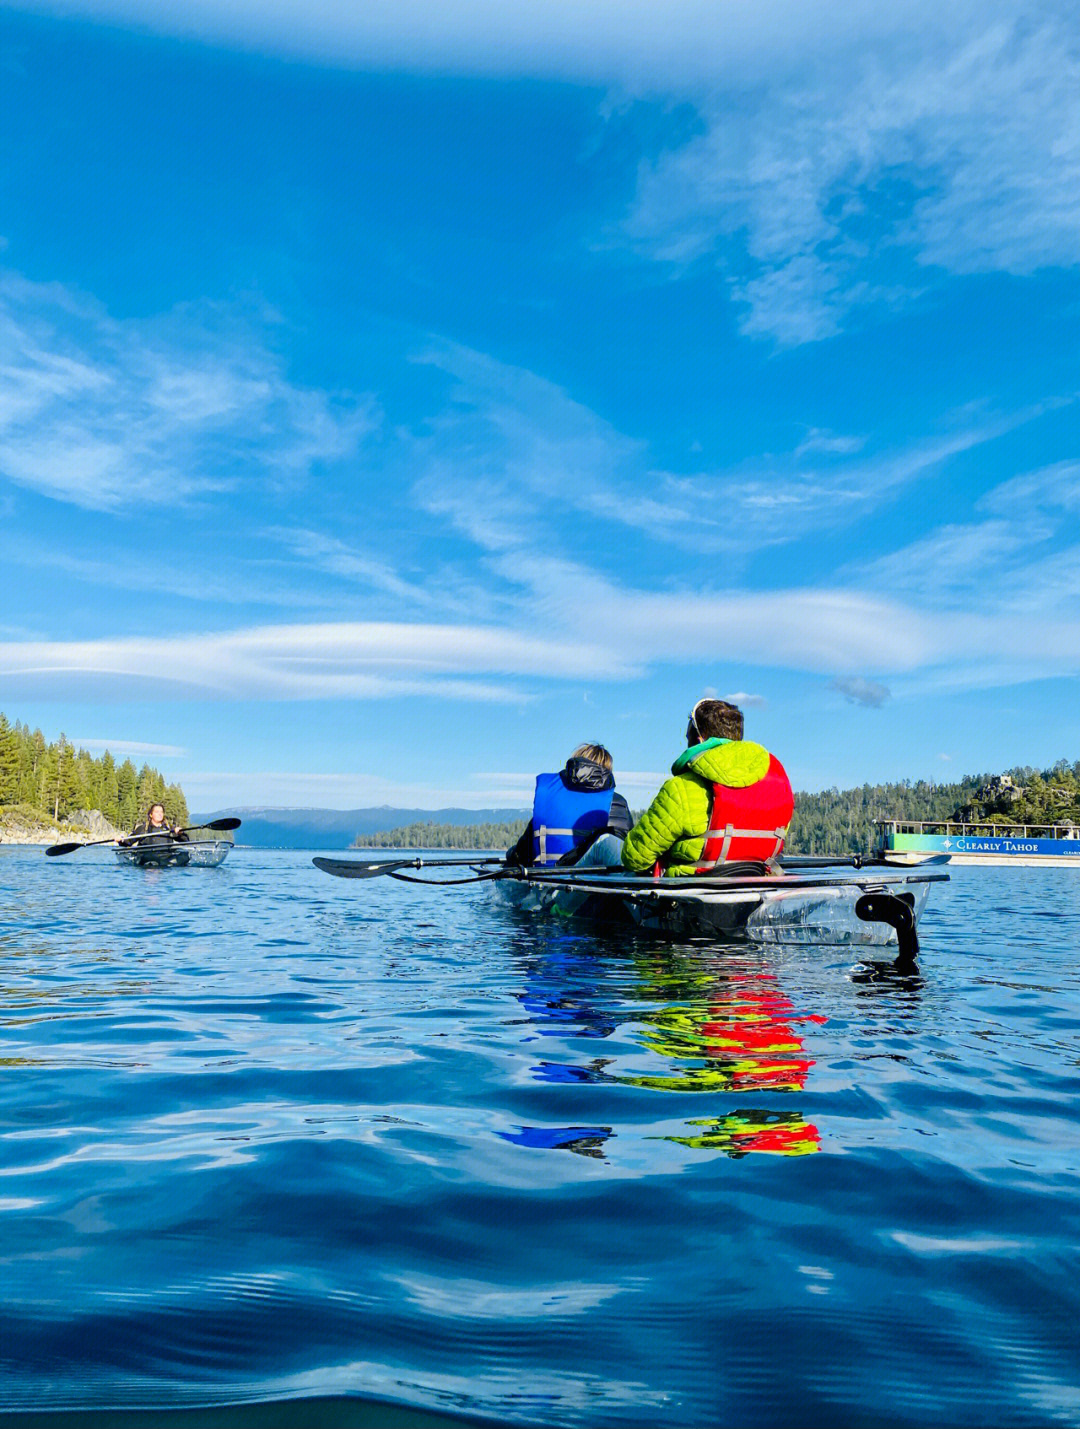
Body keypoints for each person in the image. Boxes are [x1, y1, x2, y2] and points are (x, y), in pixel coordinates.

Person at [620, 699, 793, 877]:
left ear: (699, 740)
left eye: (688, 738)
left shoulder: (681, 788)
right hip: (754, 896)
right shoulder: (776, 788)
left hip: (689, 899)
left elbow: (634, 857)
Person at [506, 743, 633, 867]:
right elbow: (629, 847)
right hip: (592, 880)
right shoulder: (616, 801)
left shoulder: (550, 802)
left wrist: (511, 854)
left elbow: (522, 854)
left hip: (548, 880)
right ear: (607, 769)